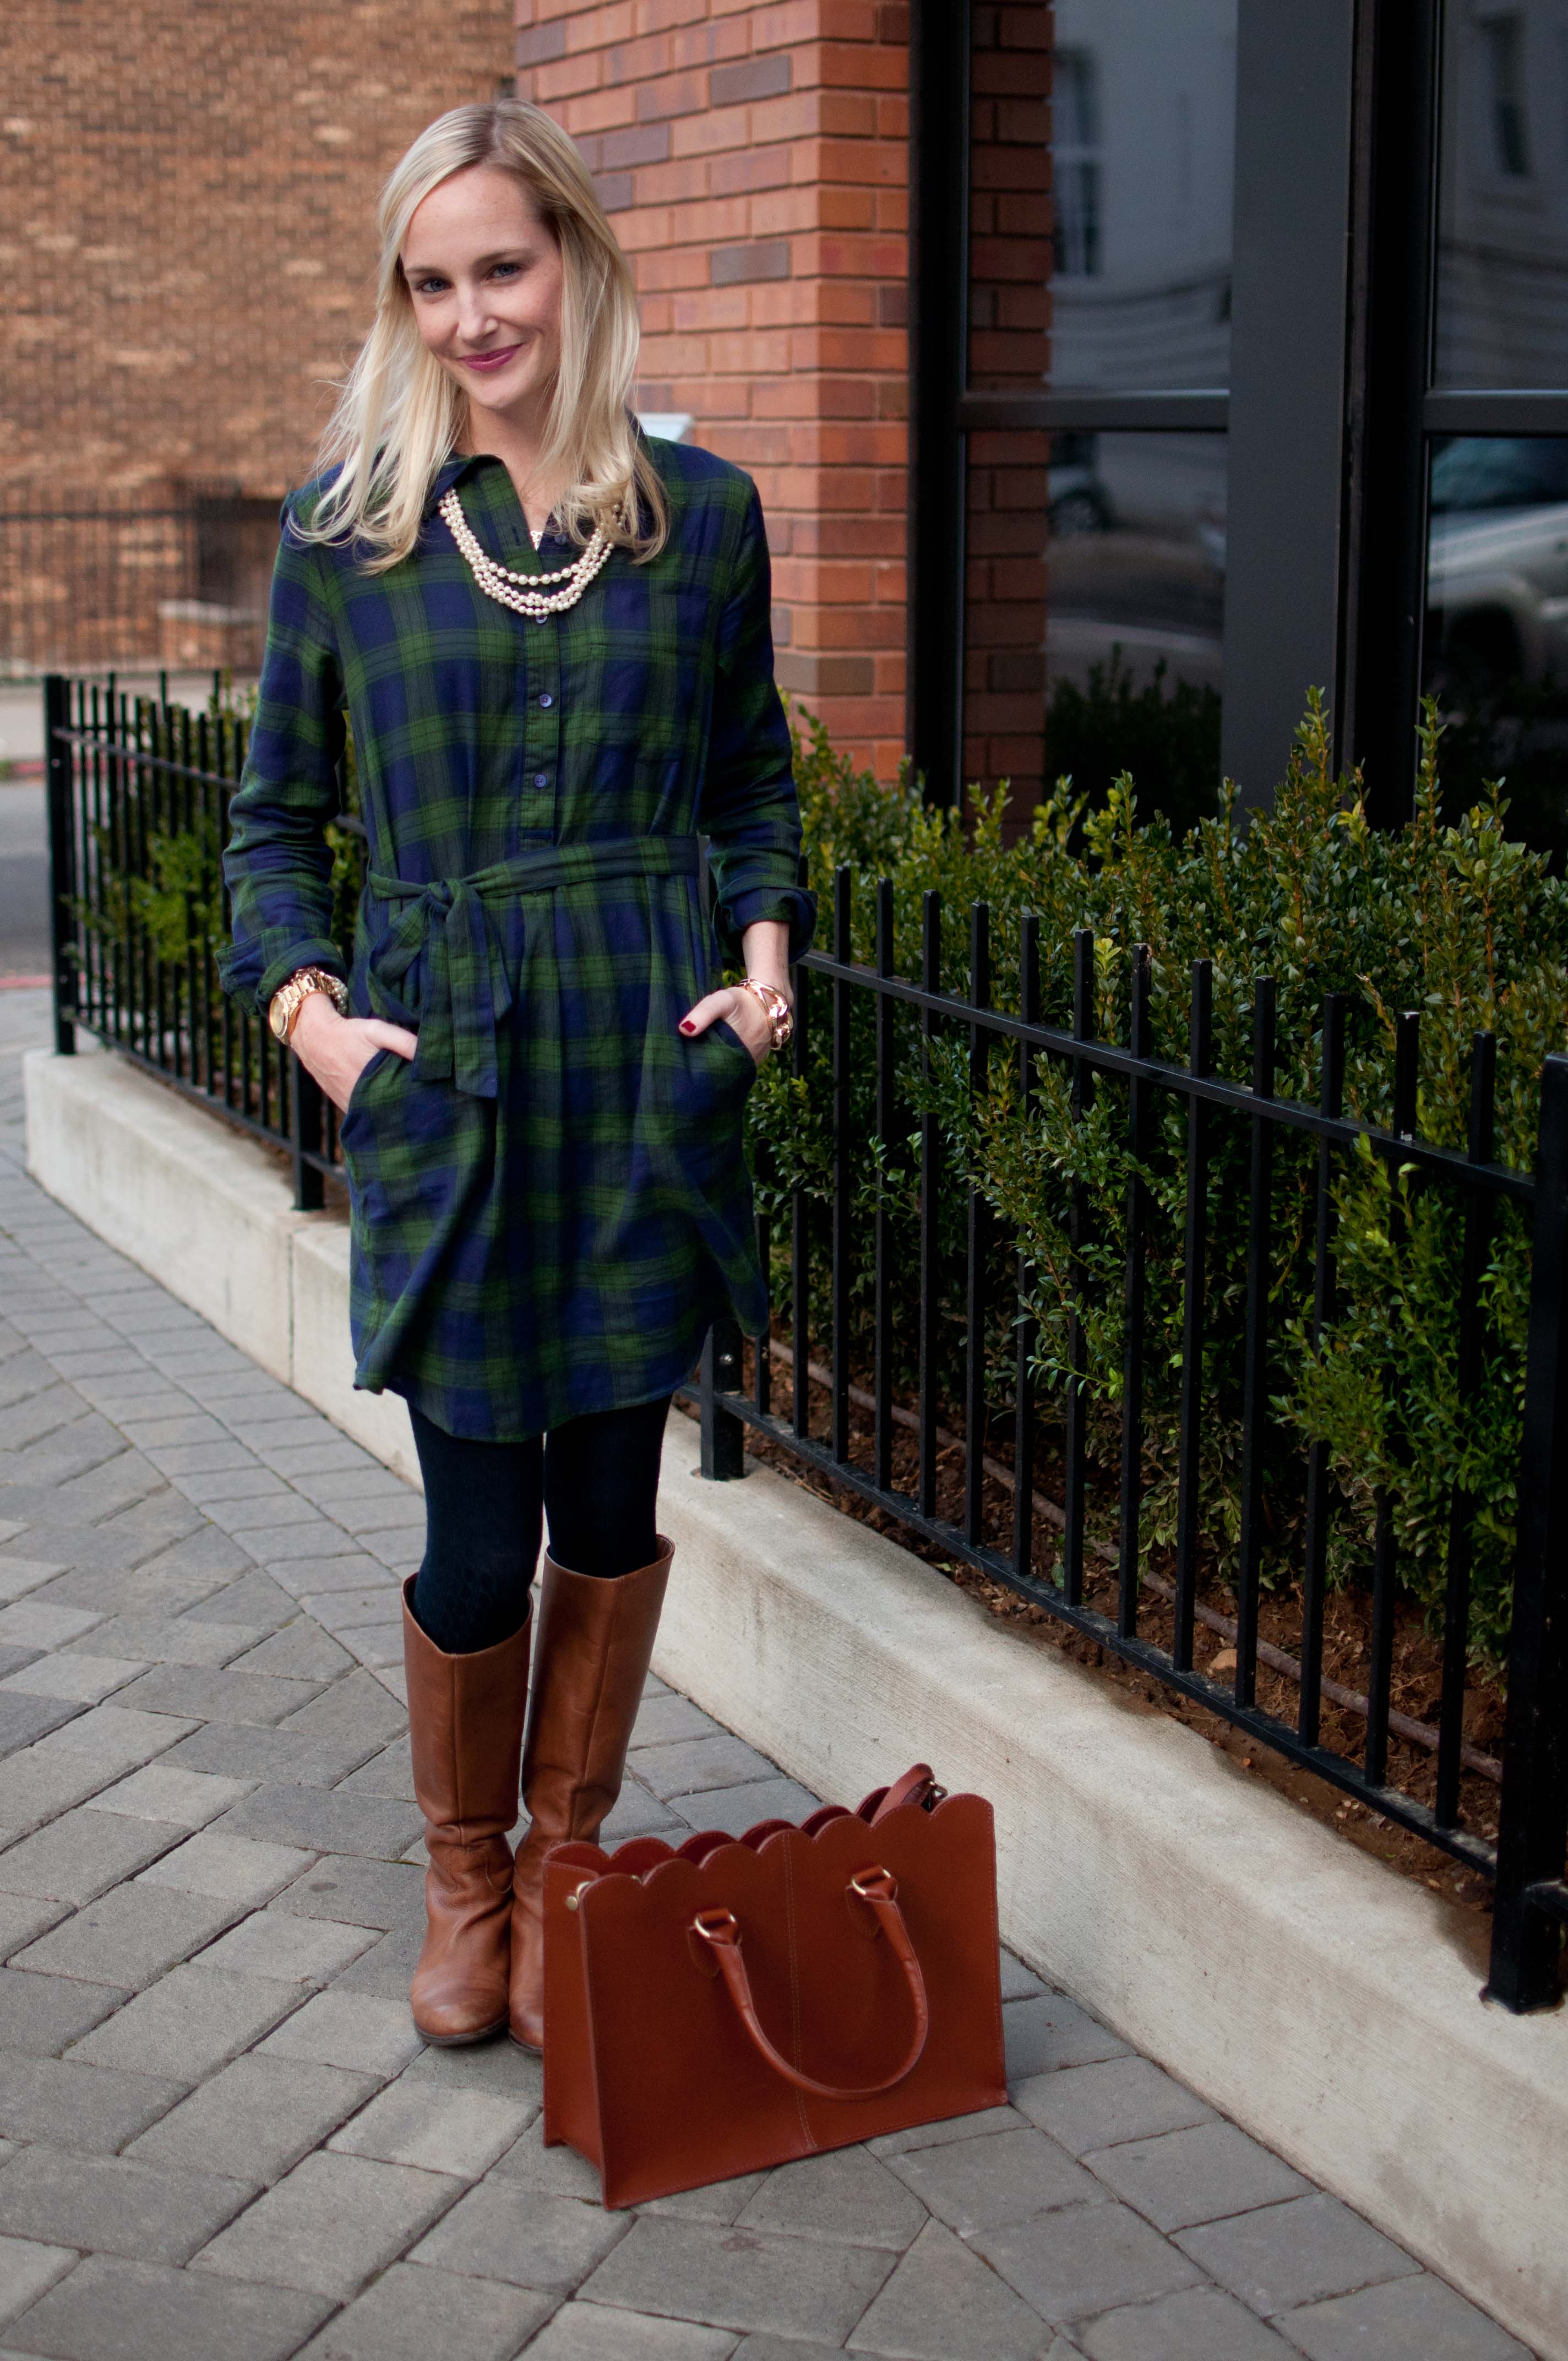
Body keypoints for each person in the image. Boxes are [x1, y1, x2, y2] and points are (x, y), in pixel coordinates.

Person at [220, 99, 810, 2051]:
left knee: (611, 1513)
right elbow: (272, 828)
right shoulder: (351, 535)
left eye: (504, 267)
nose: (473, 314)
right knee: (478, 1535)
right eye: (433, 281)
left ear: (576, 260)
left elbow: (750, 788)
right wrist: (317, 1026)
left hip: (642, 1068)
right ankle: (463, 1877)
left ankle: (567, 1867)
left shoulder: (700, 518)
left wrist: (763, 973)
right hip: (450, 1078)